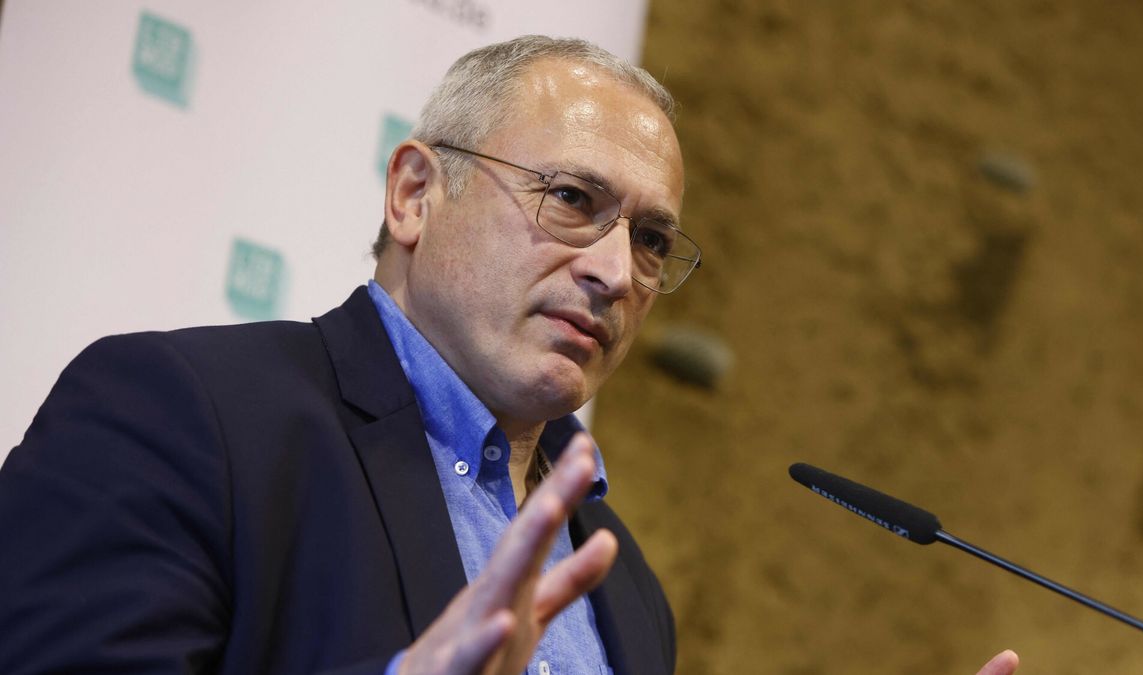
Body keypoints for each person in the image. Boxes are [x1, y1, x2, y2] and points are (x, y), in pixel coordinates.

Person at [0, 35, 1018, 675]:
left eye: (653, 241)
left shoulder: (621, 588)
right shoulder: (183, 417)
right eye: (573, 200)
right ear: (413, 193)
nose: (615, 271)